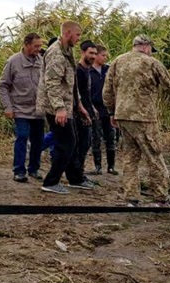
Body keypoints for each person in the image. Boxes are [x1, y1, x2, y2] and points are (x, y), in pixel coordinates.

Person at [103, 34, 170, 207]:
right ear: (146, 46)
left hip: (123, 116)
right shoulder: (152, 63)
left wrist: (111, 112)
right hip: (144, 118)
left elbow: (107, 90)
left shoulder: (117, 61)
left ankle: (131, 199)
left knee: (130, 158)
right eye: (151, 50)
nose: (151, 53)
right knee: (154, 157)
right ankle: (160, 199)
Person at [37, 21, 91, 194]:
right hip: (56, 108)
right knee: (66, 144)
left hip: (67, 106)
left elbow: (70, 83)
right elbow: (51, 83)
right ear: (68, 33)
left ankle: (75, 178)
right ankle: (51, 182)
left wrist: (79, 104)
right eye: (77, 35)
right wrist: (59, 108)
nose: (78, 39)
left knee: (72, 142)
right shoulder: (56, 53)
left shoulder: (67, 51)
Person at [0, 32, 45, 183]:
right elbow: (3, 86)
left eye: (40, 46)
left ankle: (34, 169)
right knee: (22, 136)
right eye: (35, 46)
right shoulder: (13, 61)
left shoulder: (42, 61)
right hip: (20, 109)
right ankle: (19, 170)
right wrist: (8, 107)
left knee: (38, 140)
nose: (38, 49)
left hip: (38, 109)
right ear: (26, 45)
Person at [90, 44, 118, 175]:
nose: (105, 58)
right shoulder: (88, 71)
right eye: (103, 55)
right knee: (96, 137)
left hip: (108, 108)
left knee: (110, 137)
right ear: (96, 56)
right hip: (95, 108)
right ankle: (97, 166)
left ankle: (111, 166)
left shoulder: (108, 69)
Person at [73, 40, 96, 185]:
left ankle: (79, 174)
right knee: (80, 145)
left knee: (86, 144)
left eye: (95, 53)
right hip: (79, 113)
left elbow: (86, 93)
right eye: (90, 53)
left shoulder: (87, 70)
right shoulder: (79, 70)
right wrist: (82, 111)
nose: (93, 56)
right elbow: (76, 94)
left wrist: (92, 108)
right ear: (83, 52)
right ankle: (77, 177)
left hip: (87, 110)